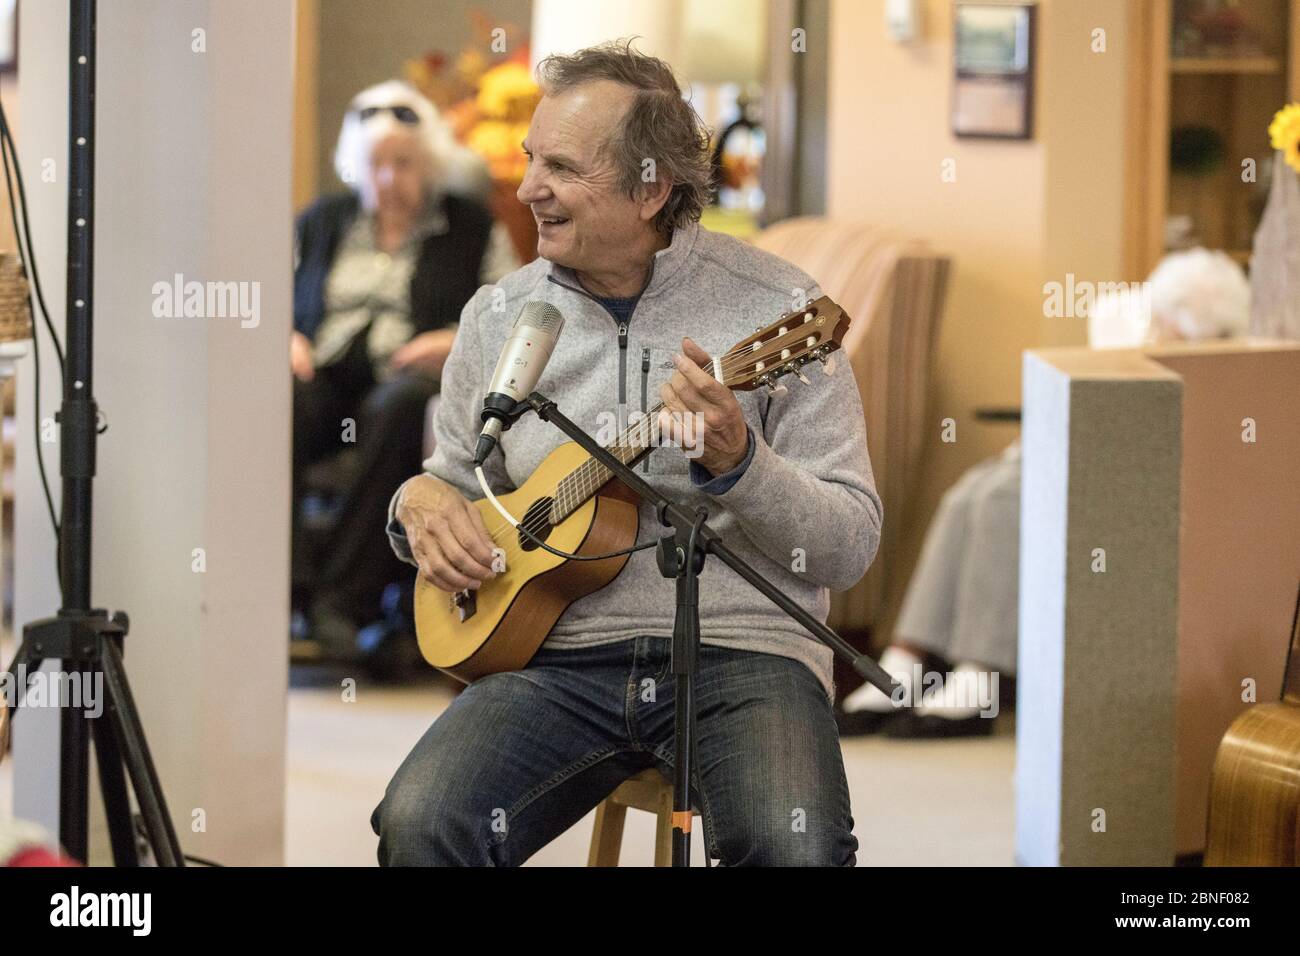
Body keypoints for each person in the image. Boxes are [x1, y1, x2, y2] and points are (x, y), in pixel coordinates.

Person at [370, 41, 883, 866]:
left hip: (745, 656)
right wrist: (417, 506)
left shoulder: (783, 312)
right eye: (534, 158)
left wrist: (742, 462)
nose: (529, 186)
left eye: (561, 168)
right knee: (423, 822)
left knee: (797, 850)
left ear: (651, 188)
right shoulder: (498, 314)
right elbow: (452, 479)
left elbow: (848, 544)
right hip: (552, 660)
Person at [291, 80, 518, 650]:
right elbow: (275, 295)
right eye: (376, 165)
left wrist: (449, 339)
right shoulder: (324, 221)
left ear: (431, 164)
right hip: (324, 373)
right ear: (355, 167)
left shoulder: (471, 225)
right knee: (280, 404)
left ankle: (344, 601)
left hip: (409, 378)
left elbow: (508, 309)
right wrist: (284, 336)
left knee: (398, 409)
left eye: (404, 164)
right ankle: (288, 590)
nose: (389, 178)